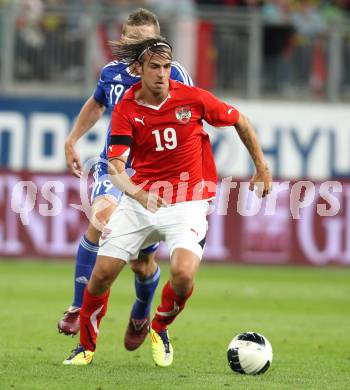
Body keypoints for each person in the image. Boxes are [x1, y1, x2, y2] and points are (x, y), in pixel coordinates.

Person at [62, 36, 272, 366]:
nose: (162, 74)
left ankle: (159, 327)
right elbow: (116, 167)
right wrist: (137, 193)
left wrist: (261, 167)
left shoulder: (193, 98)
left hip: (188, 200)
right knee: (102, 274)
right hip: (140, 200)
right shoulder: (127, 108)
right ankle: (86, 348)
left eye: (167, 67)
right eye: (155, 67)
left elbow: (240, 121)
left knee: (184, 274)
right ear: (139, 69)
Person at [58, 8, 193, 352]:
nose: (138, 47)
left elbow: (189, 120)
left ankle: (140, 312)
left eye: (145, 41)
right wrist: (73, 139)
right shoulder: (111, 73)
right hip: (115, 167)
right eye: (132, 40)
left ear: (158, 43)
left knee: (140, 262)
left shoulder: (173, 75)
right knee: (99, 219)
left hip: (155, 175)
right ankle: (77, 306)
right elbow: (97, 103)